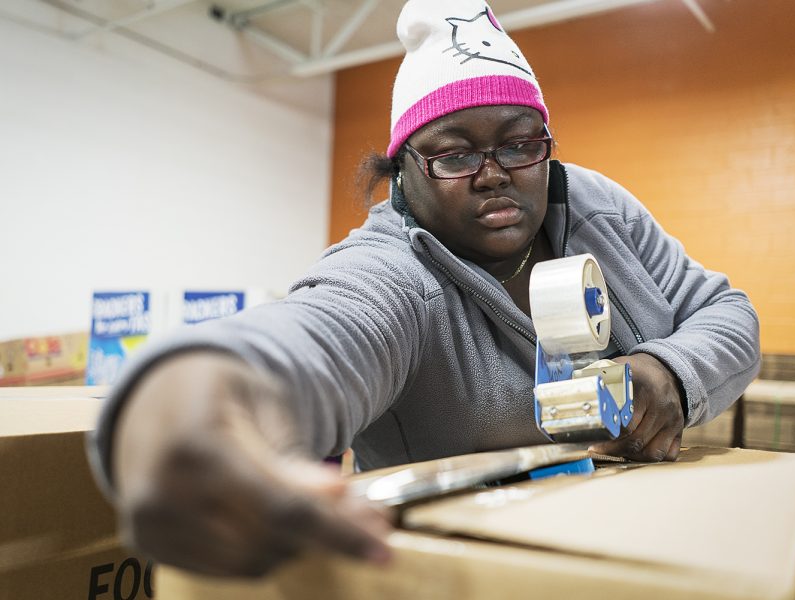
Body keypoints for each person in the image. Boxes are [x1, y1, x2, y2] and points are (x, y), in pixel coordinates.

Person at [88, 0, 760, 578]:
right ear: (403, 170)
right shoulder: (398, 277)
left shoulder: (596, 213)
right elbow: (308, 339)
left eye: (521, 145)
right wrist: (179, 417)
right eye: (455, 154)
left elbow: (727, 314)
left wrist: (668, 372)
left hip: (654, 539)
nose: (495, 173)